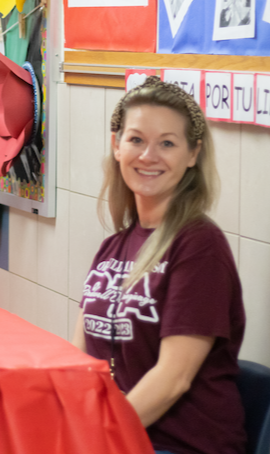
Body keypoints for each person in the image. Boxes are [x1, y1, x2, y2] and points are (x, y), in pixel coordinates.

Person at [71, 76, 246, 454]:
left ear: (192, 154)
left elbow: (173, 379)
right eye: (136, 139)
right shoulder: (111, 248)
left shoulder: (200, 246)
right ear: (117, 146)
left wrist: (96, 437)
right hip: (120, 436)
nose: (148, 155)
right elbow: (81, 358)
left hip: (177, 444)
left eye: (167, 143)